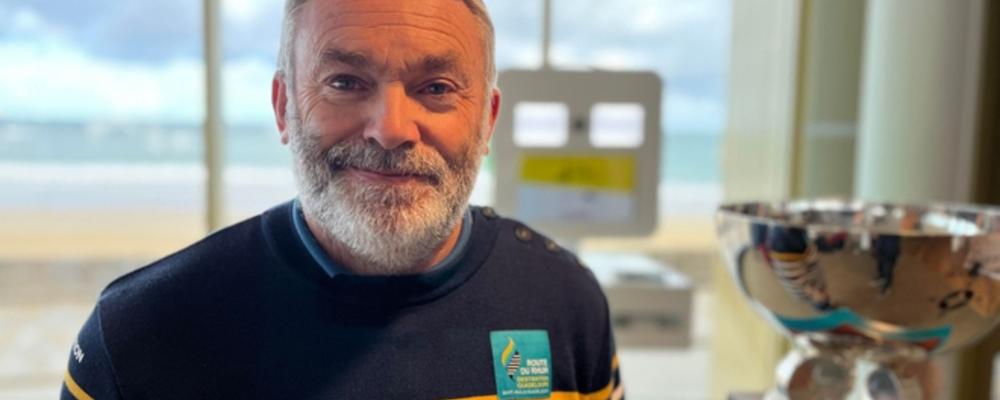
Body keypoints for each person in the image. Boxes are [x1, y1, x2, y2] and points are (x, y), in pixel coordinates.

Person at [61, 0, 622, 398]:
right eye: (346, 82)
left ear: (487, 120)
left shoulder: (565, 304)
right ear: (284, 107)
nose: (392, 130)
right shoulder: (139, 334)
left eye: (436, 88)